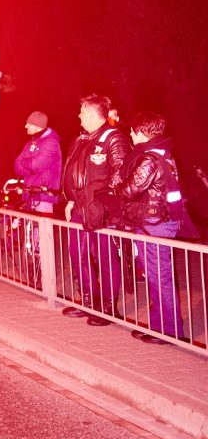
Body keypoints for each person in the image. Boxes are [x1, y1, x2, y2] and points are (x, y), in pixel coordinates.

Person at [115, 112, 186, 344]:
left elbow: (129, 190)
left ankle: (169, 331)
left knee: (160, 278)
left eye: (134, 131)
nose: (131, 135)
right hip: (160, 223)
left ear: (143, 133)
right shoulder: (163, 153)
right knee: (158, 277)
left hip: (154, 225)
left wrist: (115, 186)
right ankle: (159, 327)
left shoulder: (148, 159)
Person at [61, 94, 130, 325]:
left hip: (102, 211)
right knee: (77, 254)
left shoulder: (114, 138)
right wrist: (70, 199)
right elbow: (72, 173)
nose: (78, 115)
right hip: (80, 208)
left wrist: (101, 202)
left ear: (91, 113)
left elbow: (121, 175)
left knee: (106, 258)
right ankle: (89, 303)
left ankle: (109, 309)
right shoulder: (81, 139)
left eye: (81, 112)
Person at [13, 111, 62, 213]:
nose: (25, 126)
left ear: (37, 125)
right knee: (28, 227)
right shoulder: (30, 143)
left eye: (29, 123)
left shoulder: (52, 143)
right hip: (29, 194)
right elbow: (17, 165)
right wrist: (30, 169)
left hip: (43, 197)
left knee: (42, 228)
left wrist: (27, 165)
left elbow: (37, 165)